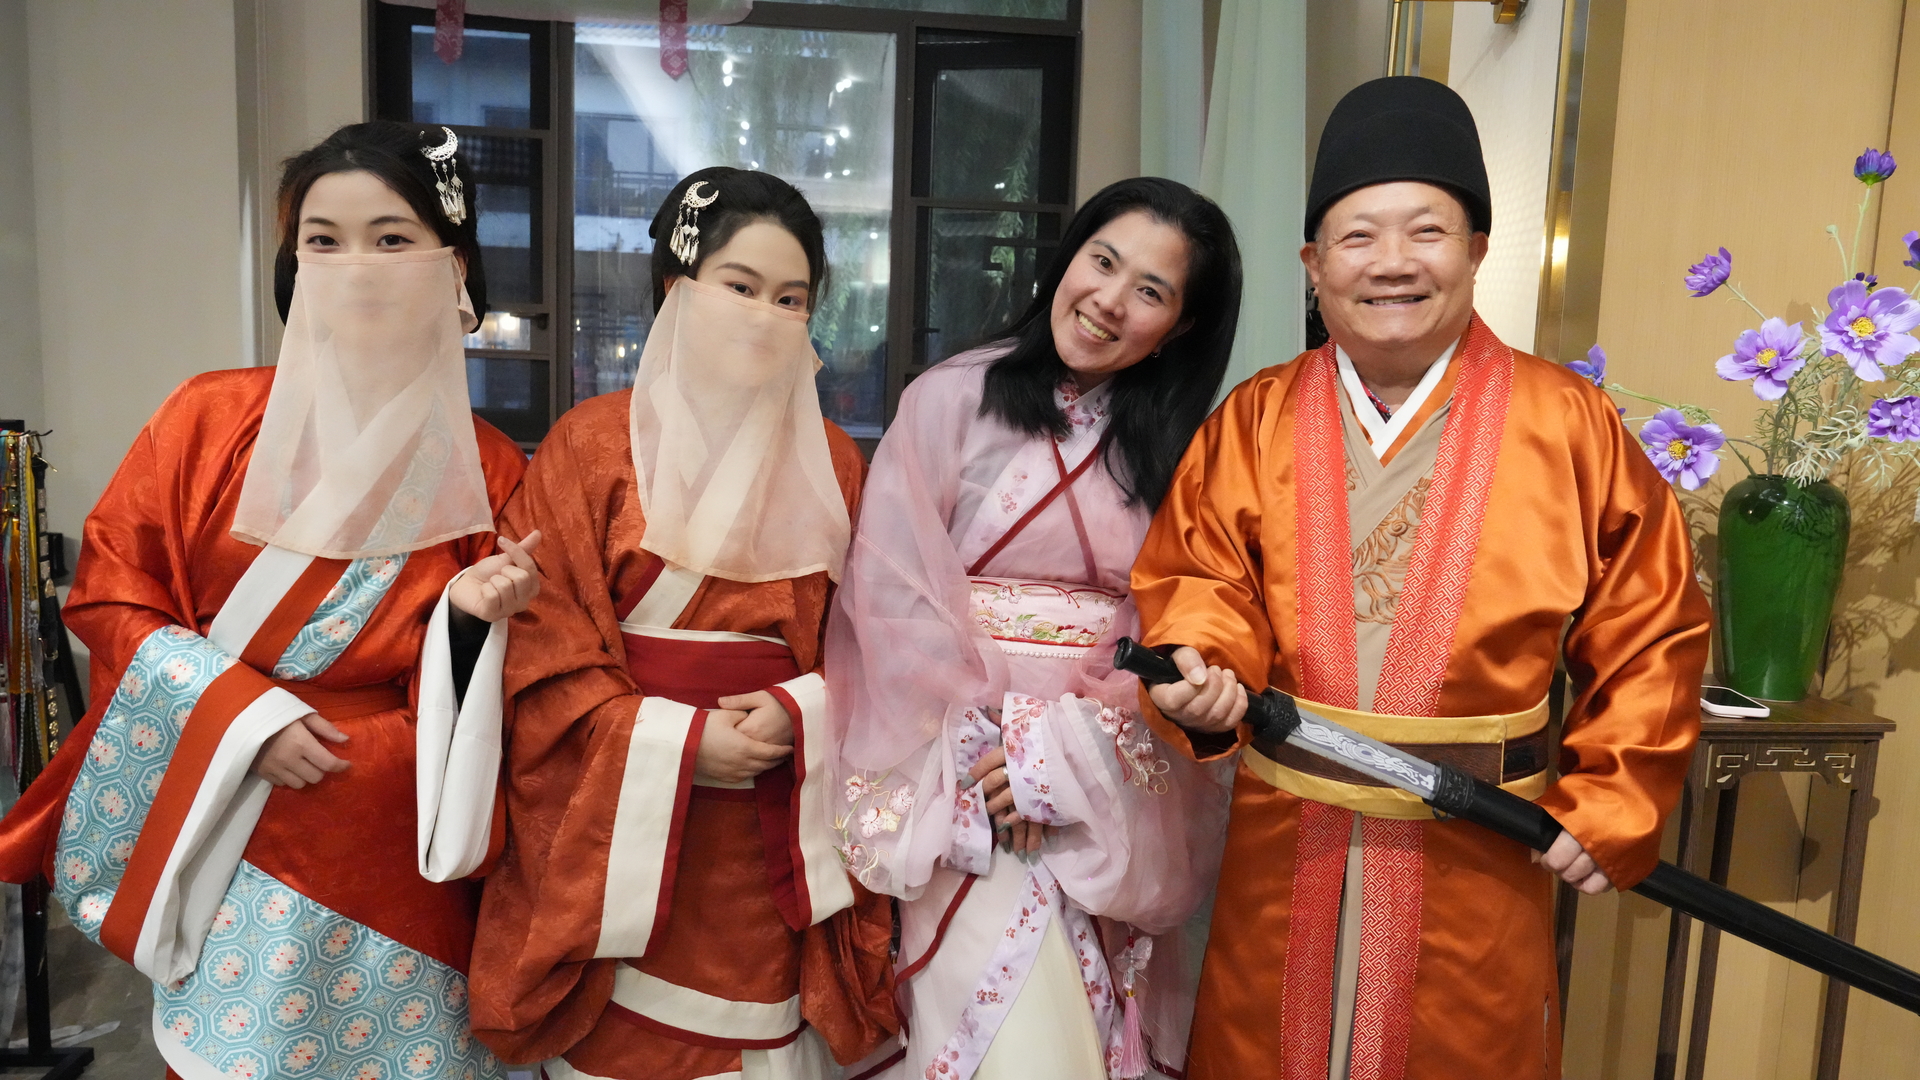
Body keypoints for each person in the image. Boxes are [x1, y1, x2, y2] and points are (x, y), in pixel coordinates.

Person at [1131, 76, 1712, 1079]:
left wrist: (1615, 794)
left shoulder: (1569, 425)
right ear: (1314, 265)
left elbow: (1652, 627)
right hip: (1286, 847)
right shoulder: (1255, 419)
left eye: (1427, 231)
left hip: (1480, 856)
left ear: (1477, 249)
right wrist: (1203, 670)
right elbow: (1199, 579)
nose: (1393, 262)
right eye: (1357, 237)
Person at [0, 120, 539, 1080]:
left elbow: (512, 683)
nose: (354, 266)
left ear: (453, 264)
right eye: (323, 240)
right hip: (225, 806)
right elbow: (112, 595)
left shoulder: (491, 467)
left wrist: (467, 618)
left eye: (391, 238)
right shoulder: (205, 418)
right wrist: (242, 718)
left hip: (391, 825)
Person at [468, 168, 895, 1080]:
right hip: (621, 824)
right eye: (740, 287)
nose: (766, 316)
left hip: (772, 817)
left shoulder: (835, 462)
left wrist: (803, 708)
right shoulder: (588, 443)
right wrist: (676, 744)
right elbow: (541, 645)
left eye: (791, 299)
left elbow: (877, 644)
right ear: (676, 288)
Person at [828, 177, 1242, 1080]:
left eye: (1149, 290)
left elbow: (1176, 620)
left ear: (1179, 326)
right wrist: (989, 756)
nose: (1109, 299)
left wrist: (1052, 761)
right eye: (1102, 260)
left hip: (1101, 783)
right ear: (1067, 257)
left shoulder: (1183, 452)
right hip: (958, 778)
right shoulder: (949, 398)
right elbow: (891, 592)